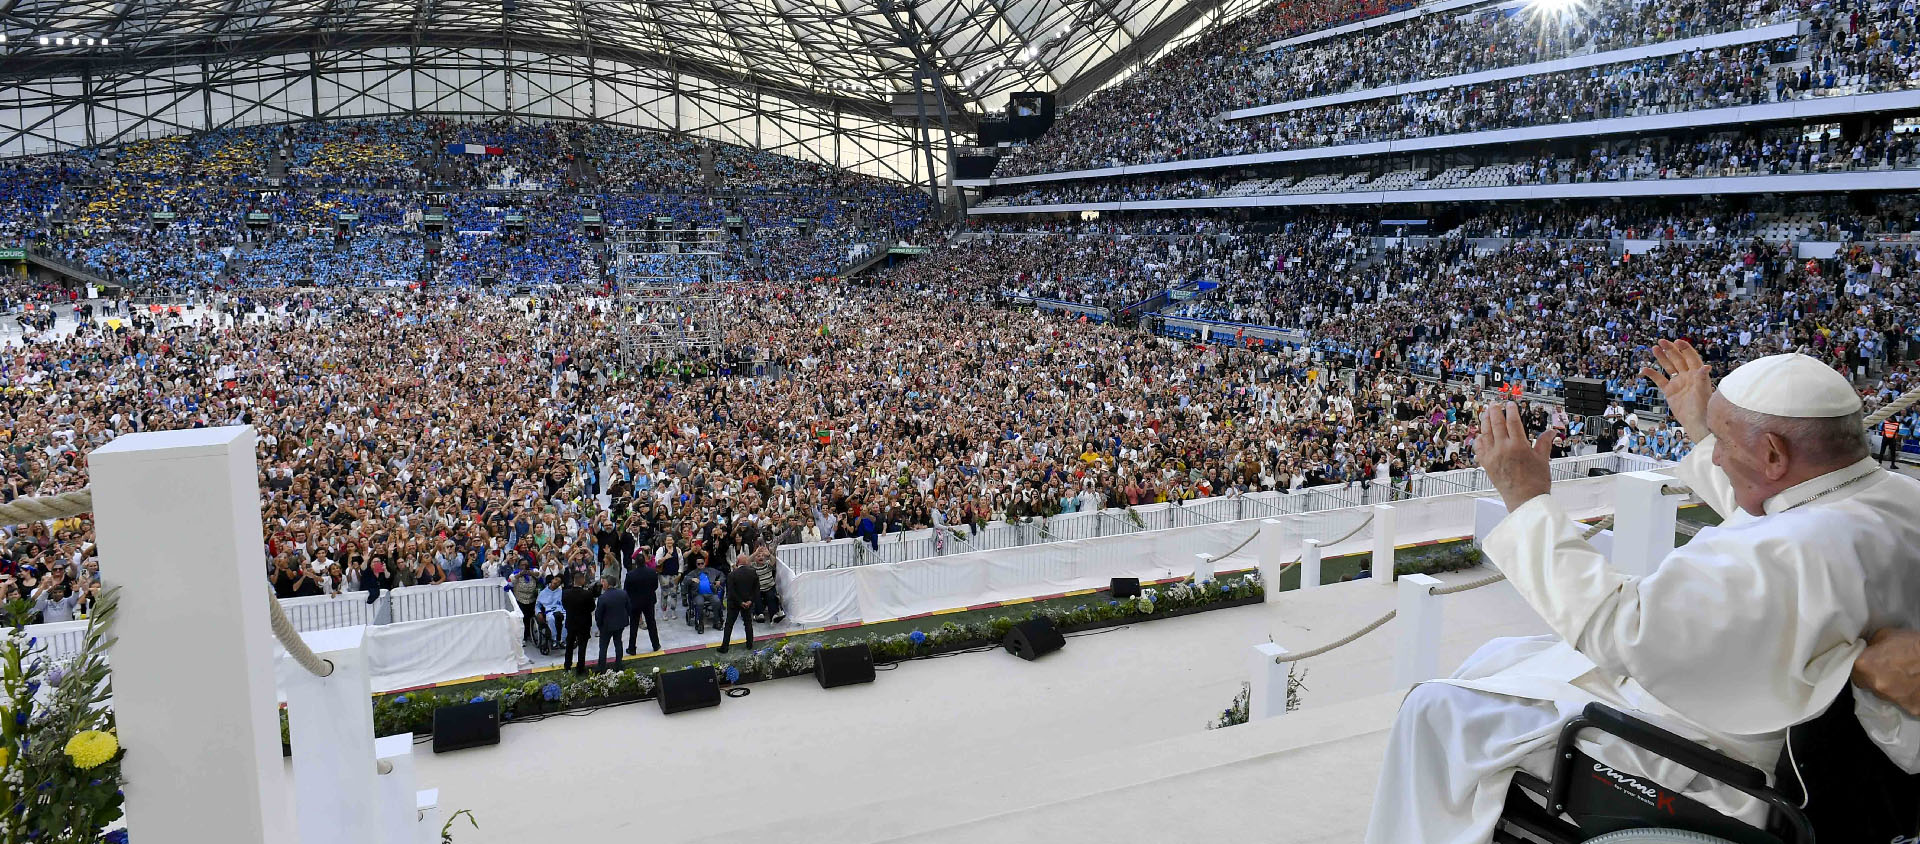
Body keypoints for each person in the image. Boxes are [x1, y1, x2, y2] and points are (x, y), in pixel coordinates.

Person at [1367, 344, 1920, 843]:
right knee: (1500, 658)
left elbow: (1617, 627)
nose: (1717, 459)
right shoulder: (1888, 499)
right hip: (1784, 736)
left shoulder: (1788, 551)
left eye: (1722, 444)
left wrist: (1527, 499)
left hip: (1713, 759)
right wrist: (1703, 430)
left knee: (1434, 709)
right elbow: (1783, 521)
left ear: (1774, 454)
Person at [718, 554, 759, 653]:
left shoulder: (732, 574)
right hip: (748, 603)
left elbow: (731, 592)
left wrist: (740, 602)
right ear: (746, 562)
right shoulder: (753, 572)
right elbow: (756, 589)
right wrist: (750, 601)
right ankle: (749, 644)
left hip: (734, 603)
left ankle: (724, 647)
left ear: (737, 562)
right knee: (748, 623)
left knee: (729, 625)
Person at [592, 574, 631, 672]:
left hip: (606, 626)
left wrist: (599, 625)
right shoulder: (623, 593)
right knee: (618, 643)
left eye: (603, 582)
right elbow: (629, 608)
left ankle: (601, 667)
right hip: (620, 624)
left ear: (607, 584)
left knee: (603, 647)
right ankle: (619, 664)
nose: (602, 584)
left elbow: (598, 615)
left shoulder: (603, 598)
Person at [560, 571, 597, 675]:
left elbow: (565, 606)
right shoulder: (587, 594)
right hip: (584, 624)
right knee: (582, 646)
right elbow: (592, 608)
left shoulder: (565, 593)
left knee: (569, 645)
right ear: (582, 580)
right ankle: (580, 667)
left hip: (571, 622)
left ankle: (567, 666)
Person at [623, 557, 660, 655]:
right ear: (644, 562)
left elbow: (626, 589)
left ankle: (632, 648)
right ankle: (655, 644)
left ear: (636, 563)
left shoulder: (630, 575)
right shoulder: (652, 572)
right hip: (649, 601)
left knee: (634, 625)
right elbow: (655, 586)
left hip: (635, 602)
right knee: (651, 622)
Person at [684, 556, 720, 634]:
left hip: (711, 593)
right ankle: (700, 624)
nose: (700, 565)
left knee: (717, 601)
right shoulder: (693, 573)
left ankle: (717, 622)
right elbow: (685, 580)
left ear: (705, 563)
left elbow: (721, 574)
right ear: (696, 565)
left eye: (702, 563)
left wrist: (719, 581)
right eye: (698, 564)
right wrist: (691, 579)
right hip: (698, 594)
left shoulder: (711, 571)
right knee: (699, 604)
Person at [510, 568, 541, 642]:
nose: (524, 567)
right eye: (522, 565)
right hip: (520, 599)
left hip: (531, 599)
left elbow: (539, 574)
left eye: (525, 565)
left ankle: (530, 634)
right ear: (519, 566)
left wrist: (531, 573)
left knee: (530, 616)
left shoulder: (533, 570)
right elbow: (511, 579)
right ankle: (523, 636)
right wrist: (520, 574)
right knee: (522, 618)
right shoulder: (515, 573)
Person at [535, 574, 565, 645]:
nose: (556, 582)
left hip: (560, 610)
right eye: (555, 579)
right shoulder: (543, 592)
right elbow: (537, 605)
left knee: (567, 619)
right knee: (551, 619)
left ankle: (563, 640)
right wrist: (538, 613)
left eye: (558, 582)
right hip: (549, 611)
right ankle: (554, 639)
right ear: (552, 580)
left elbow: (564, 603)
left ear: (559, 584)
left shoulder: (561, 592)